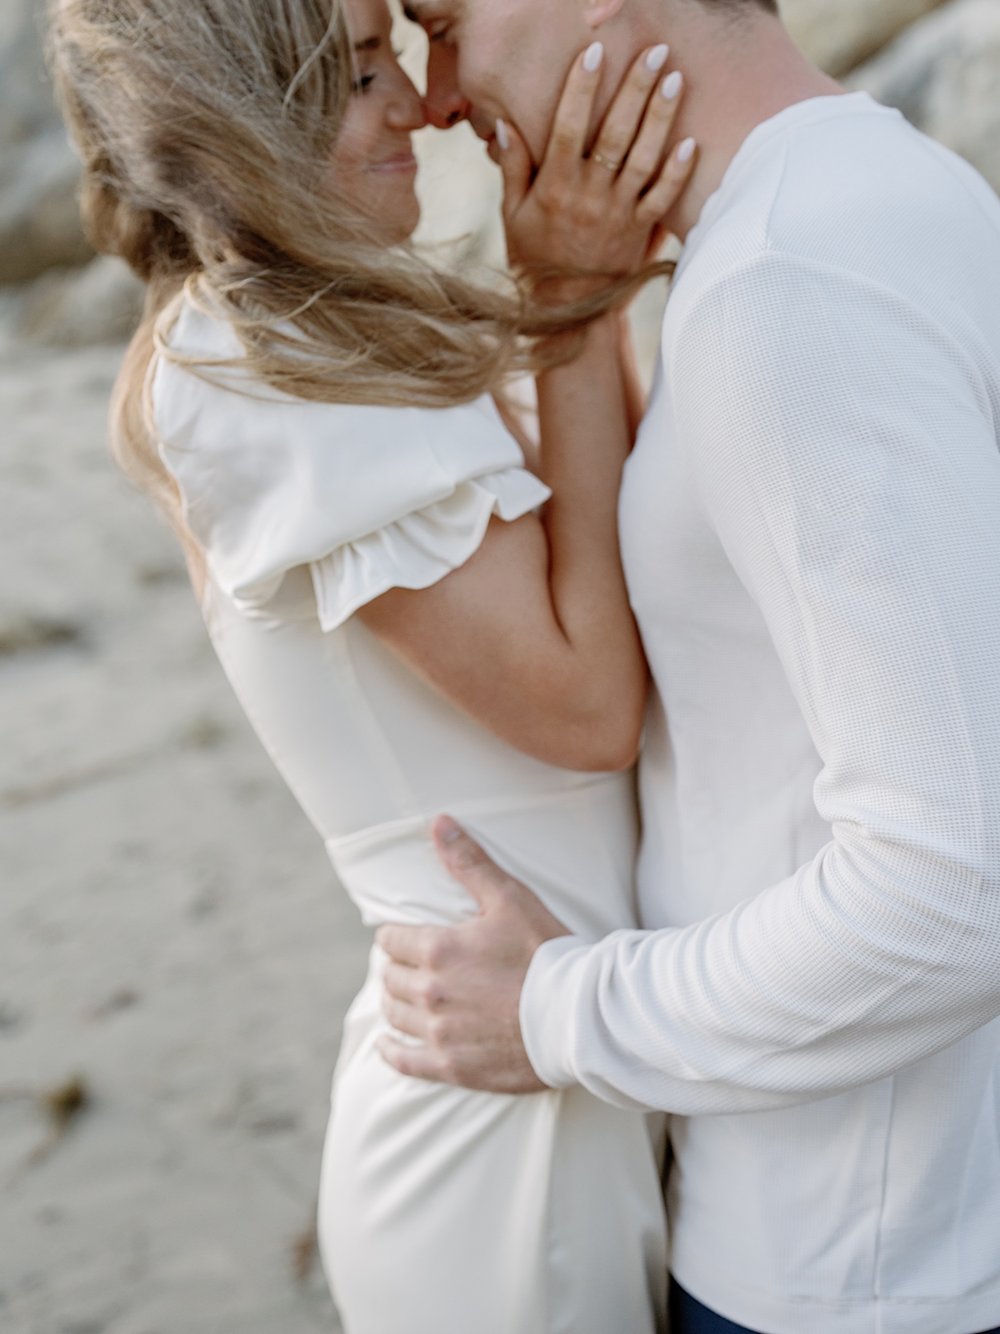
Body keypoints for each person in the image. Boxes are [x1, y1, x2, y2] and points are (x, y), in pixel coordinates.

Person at [48, 0, 703, 1328]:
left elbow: (617, 549)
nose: (410, 103)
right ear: (243, 119)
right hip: (496, 1143)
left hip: (563, 1044)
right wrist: (571, 305)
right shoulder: (256, 368)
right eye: (354, 75)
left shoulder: (323, 343)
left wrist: (590, 297)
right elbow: (587, 706)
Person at [376, 1, 1000, 1332]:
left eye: (439, 22)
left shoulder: (794, 287)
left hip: (850, 1269)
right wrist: (573, 303)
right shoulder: (875, 197)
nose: (434, 101)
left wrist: (557, 1010)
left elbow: (955, 889)